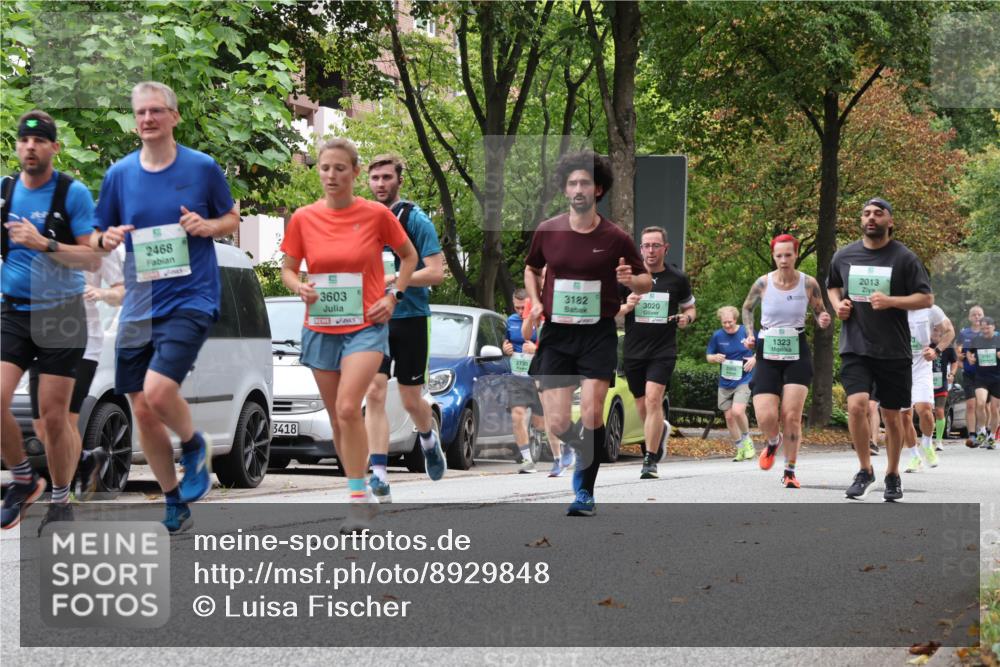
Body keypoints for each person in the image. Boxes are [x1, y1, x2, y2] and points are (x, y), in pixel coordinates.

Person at [94, 82, 240, 533]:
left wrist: (206, 225)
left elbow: (232, 218)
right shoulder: (119, 174)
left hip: (191, 298)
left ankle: (195, 445)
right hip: (139, 305)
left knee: (158, 392)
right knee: (140, 409)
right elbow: (97, 234)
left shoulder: (202, 168)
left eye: (157, 111)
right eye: (141, 112)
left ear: (174, 117)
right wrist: (107, 239)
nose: (148, 119)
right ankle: (173, 498)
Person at [280, 138, 417, 532]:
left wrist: (395, 296)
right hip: (320, 327)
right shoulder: (304, 218)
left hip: (366, 326)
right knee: (340, 422)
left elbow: (408, 258)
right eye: (325, 168)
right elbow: (289, 269)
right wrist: (298, 287)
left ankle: (357, 501)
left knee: (346, 408)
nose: (332, 175)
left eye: (341, 168)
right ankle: (361, 489)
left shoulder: (375, 215)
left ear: (355, 173)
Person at [524, 150, 650, 516]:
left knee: (594, 411)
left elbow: (644, 279)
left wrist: (631, 280)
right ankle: (584, 447)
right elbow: (532, 268)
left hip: (597, 333)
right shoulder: (548, 230)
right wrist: (534, 301)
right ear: (566, 189)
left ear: (598, 190)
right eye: (572, 183)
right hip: (557, 336)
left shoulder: (616, 237)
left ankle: (584, 492)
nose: (578, 189)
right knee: (559, 421)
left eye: (585, 183)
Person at [1, 110, 99, 530]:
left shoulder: (71, 193)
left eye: (40, 141)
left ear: (54, 148)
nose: (30, 147)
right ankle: (24, 479)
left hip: (61, 314)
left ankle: (61, 500)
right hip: (14, 310)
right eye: (24, 140)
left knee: (54, 417)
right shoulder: (5, 192)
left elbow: (93, 256)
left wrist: (45, 243)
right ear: (17, 146)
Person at [827, 197, 933, 501]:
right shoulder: (844, 255)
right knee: (857, 405)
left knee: (893, 417)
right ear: (861, 220)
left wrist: (892, 302)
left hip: (894, 350)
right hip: (855, 346)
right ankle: (865, 469)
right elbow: (832, 284)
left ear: (890, 221)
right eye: (866, 213)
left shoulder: (905, 258)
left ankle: (892, 473)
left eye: (878, 213)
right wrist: (838, 305)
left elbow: (925, 298)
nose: (871, 217)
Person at [363, 154, 446, 502]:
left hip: (411, 317)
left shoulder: (415, 219)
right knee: (375, 393)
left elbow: (437, 272)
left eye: (386, 177)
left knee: (412, 400)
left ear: (398, 180)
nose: (380, 184)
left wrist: (398, 279)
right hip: (374, 320)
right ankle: (378, 473)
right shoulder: (363, 219)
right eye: (375, 178)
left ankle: (428, 438)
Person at [27, 244, 125, 501]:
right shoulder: (34, 239)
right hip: (41, 339)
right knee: (42, 428)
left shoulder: (95, 241)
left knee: (64, 421)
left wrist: (101, 292)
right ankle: (86, 460)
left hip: (83, 343)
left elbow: (122, 291)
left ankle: (61, 500)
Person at [741, 234, 832, 488]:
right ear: (773, 256)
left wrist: (823, 319)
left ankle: (790, 470)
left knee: (791, 415)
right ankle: (772, 441)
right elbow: (747, 308)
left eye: (788, 255)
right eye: (778, 255)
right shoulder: (763, 283)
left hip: (796, 351)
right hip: (767, 350)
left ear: (795, 254)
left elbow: (820, 311)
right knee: (765, 415)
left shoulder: (808, 283)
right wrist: (749, 334)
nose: (783, 260)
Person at [617, 226, 696, 479]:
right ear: (640, 249)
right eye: (646, 246)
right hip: (633, 350)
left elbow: (691, 308)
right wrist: (626, 307)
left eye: (655, 245)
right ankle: (659, 430)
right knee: (642, 405)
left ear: (665, 248)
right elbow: (612, 313)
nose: (650, 250)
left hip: (663, 349)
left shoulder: (677, 278)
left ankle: (649, 460)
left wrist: (687, 319)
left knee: (653, 400)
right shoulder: (629, 278)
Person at [901, 305, 954, 472]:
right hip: (898, 369)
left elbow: (950, 331)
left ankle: (927, 442)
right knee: (904, 416)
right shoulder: (893, 306)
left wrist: (936, 351)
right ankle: (914, 457)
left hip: (921, 367)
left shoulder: (931, 309)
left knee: (924, 409)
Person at [502, 288, 548, 473]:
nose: (521, 312)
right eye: (517, 308)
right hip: (517, 377)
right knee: (517, 415)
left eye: (523, 308)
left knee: (541, 423)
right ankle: (527, 460)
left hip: (539, 376)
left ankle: (563, 444)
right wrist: (505, 348)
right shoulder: (511, 321)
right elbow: (506, 342)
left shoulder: (543, 320)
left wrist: (536, 350)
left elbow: (554, 349)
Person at [706, 306, 755, 463]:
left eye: (729, 322)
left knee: (738, 411)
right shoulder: (717, 336)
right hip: (725, 381)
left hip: (745, 379)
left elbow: (763, 348)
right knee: (728, 417)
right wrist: (715, 358)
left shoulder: (746, 332)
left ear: (736, 319)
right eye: (724, 322)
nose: (727, 325)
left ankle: (747, 440)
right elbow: (708, 356)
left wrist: (755, 359)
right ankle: (740, 448)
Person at [967, 316, 999, 449]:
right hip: (981, 377)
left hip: (997, 378)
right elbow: (969, 351)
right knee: (980, 403)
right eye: (983, 328)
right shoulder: (977, 339)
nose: (985, 330)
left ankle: (992, 437)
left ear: (993, 327)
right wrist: (970, 358)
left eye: (988, 328)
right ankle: (981, 431)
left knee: (994, 409)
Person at [956, 305, 984, 447]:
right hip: (969, 374)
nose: (977, 317)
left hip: (986, 375)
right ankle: (972, 434)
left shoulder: (990, 334)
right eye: (974, 314)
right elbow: (958, 354)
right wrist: (962, 362)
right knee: (971, 405)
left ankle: (983, 432)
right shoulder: (964, 333)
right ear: (969, 317)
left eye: (979, 314)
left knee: (983, 404)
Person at [930, 329, 959, 451]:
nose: (936, 336)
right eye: (934, 333)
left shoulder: (948, 347)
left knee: (939, 411)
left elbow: (954, 362)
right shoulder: (925, 345)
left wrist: (952, 374)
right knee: (926, 411)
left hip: (941, 383)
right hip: (925, 382)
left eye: (939, 334)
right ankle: (928, 438)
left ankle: (939, 441)